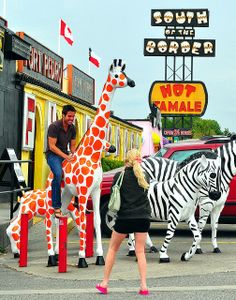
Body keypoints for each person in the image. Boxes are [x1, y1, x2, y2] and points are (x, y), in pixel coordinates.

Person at [96, 149, 151, 296]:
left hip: (124, 218)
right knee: (140, 252)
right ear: (139, 160)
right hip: (143, 218)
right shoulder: (144, 176)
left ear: (126, 160)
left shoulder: (119, 176)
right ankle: (144, 286)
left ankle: (105, 283)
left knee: (113, 249)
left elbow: (116, 195)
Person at [46, 104, 76, 218]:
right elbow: (52, 146)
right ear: (63, 115)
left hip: (65, 154)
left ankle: (76, 201)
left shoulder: (72, 128)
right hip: (52, 155)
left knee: (78, 172)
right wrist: (66, 156)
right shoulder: (54, 126)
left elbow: (72, 147)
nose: (71, 119)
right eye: (69, 116)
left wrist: (76, 156)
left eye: (73, 117)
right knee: (58, 174)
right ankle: (56, 206)